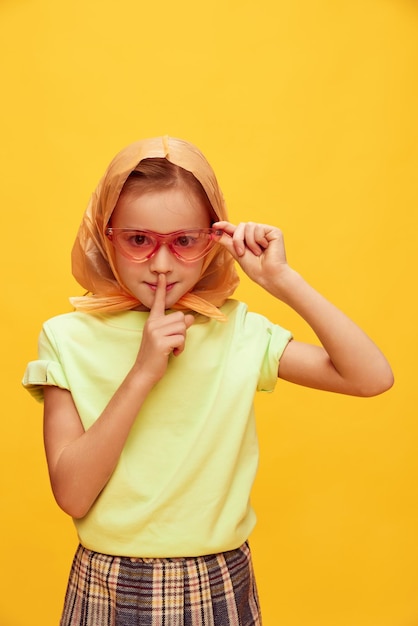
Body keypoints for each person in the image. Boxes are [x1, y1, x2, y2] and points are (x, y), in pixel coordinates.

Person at [23, 135, 393, 626]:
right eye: (138, 240)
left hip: (218, 578)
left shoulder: (234, 329)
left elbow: (370, 377)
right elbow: (71, 494)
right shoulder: (66, 337)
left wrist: (281, 280)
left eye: (183, 241)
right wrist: (142, 372)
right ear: (103, 234)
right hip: (107, 582)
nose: (160, 263)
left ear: (213, 238)